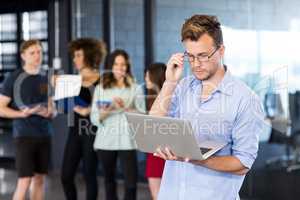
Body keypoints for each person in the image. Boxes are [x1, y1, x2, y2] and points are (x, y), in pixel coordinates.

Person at [149, 15, 265, 200]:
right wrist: (169, 82)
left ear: (221, 50)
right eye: (191, 57)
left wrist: (197, 158)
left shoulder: (245, 99)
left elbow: (243, 163)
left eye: (203, 56)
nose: (196, 64)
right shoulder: (181, 87)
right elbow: (152, 128)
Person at [0, 39, 55, 200]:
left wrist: (50, 112)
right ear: (23, 56)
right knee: (24, 181)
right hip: (24, 136)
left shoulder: (46, 77)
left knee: (39, 180)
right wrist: (21, 114)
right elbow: (1, 108)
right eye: (33, 53)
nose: (37, 56)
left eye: (39, 52)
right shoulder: (14, 78)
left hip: (45, 135)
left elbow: (52, 107)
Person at [90, 49, 145, 200]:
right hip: (105, 142)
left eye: (123, 64)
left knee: (131, 183)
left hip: (128, 142)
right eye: (116, 64)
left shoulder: (135, 87)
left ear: (127, 66)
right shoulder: (101, 88)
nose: (120, 68)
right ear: (110, 66)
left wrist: (128, 109)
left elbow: (143, 115)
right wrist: (110, 108)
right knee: (109, 182)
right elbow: (94, 118)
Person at [60, 38, 106, 200]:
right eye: (74, 55)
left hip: (92, 132)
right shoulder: (71, 81)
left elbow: (106, 108)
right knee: (66, 176)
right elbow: (64, 107)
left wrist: (89, 110)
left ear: (89, 56)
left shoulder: (102, 81)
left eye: (78, 55)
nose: (75, 59)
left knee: (89, 176)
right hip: (74, 132)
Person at [144, 63, 166, 200]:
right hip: (153, 150)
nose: (145, 79)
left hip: (161, 150)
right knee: (156, 194)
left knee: (158, 194)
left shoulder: (167, 100)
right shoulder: (150, 98)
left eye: (147, 76)